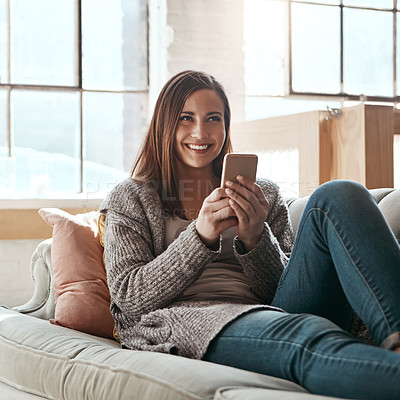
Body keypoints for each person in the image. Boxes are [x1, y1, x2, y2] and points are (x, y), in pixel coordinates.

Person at [99, 70, 400, 399]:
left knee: (340, 194)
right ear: (164, 124)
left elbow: (282, 291)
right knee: (304, 333)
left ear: (225, 125)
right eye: (186, 118)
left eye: (213, 118)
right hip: (193, 319)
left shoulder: (263, 194)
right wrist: (199, 237)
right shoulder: (131, 196)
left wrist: (255, 238)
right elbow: (128, 298)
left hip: (275, 309)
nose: (201, 132)